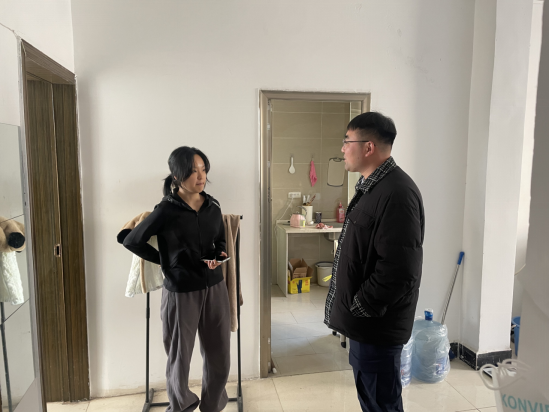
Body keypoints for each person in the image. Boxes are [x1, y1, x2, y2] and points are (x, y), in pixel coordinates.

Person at [324, 112, 425, 412]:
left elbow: (400, 270)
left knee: (381, 403)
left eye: (347, 141)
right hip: (365, 326)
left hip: (376, 326)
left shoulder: (397, 193)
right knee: (371, 400)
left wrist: (362, 305)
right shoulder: (372, 187)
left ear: (368, 147)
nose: (342, 148)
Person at [123, 146, 230, 412]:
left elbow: (220, 239)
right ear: (176, 176)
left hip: (215, 287)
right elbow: (132, 240)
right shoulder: (166, 209)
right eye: (193, 171)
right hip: (181, 291)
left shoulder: (213, 206)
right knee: (179, 357)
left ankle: (212, 405)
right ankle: (181, 406)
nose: (201, 176)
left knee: (220, 354)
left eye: (203, 169)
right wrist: (166, 261)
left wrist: (219, 254)